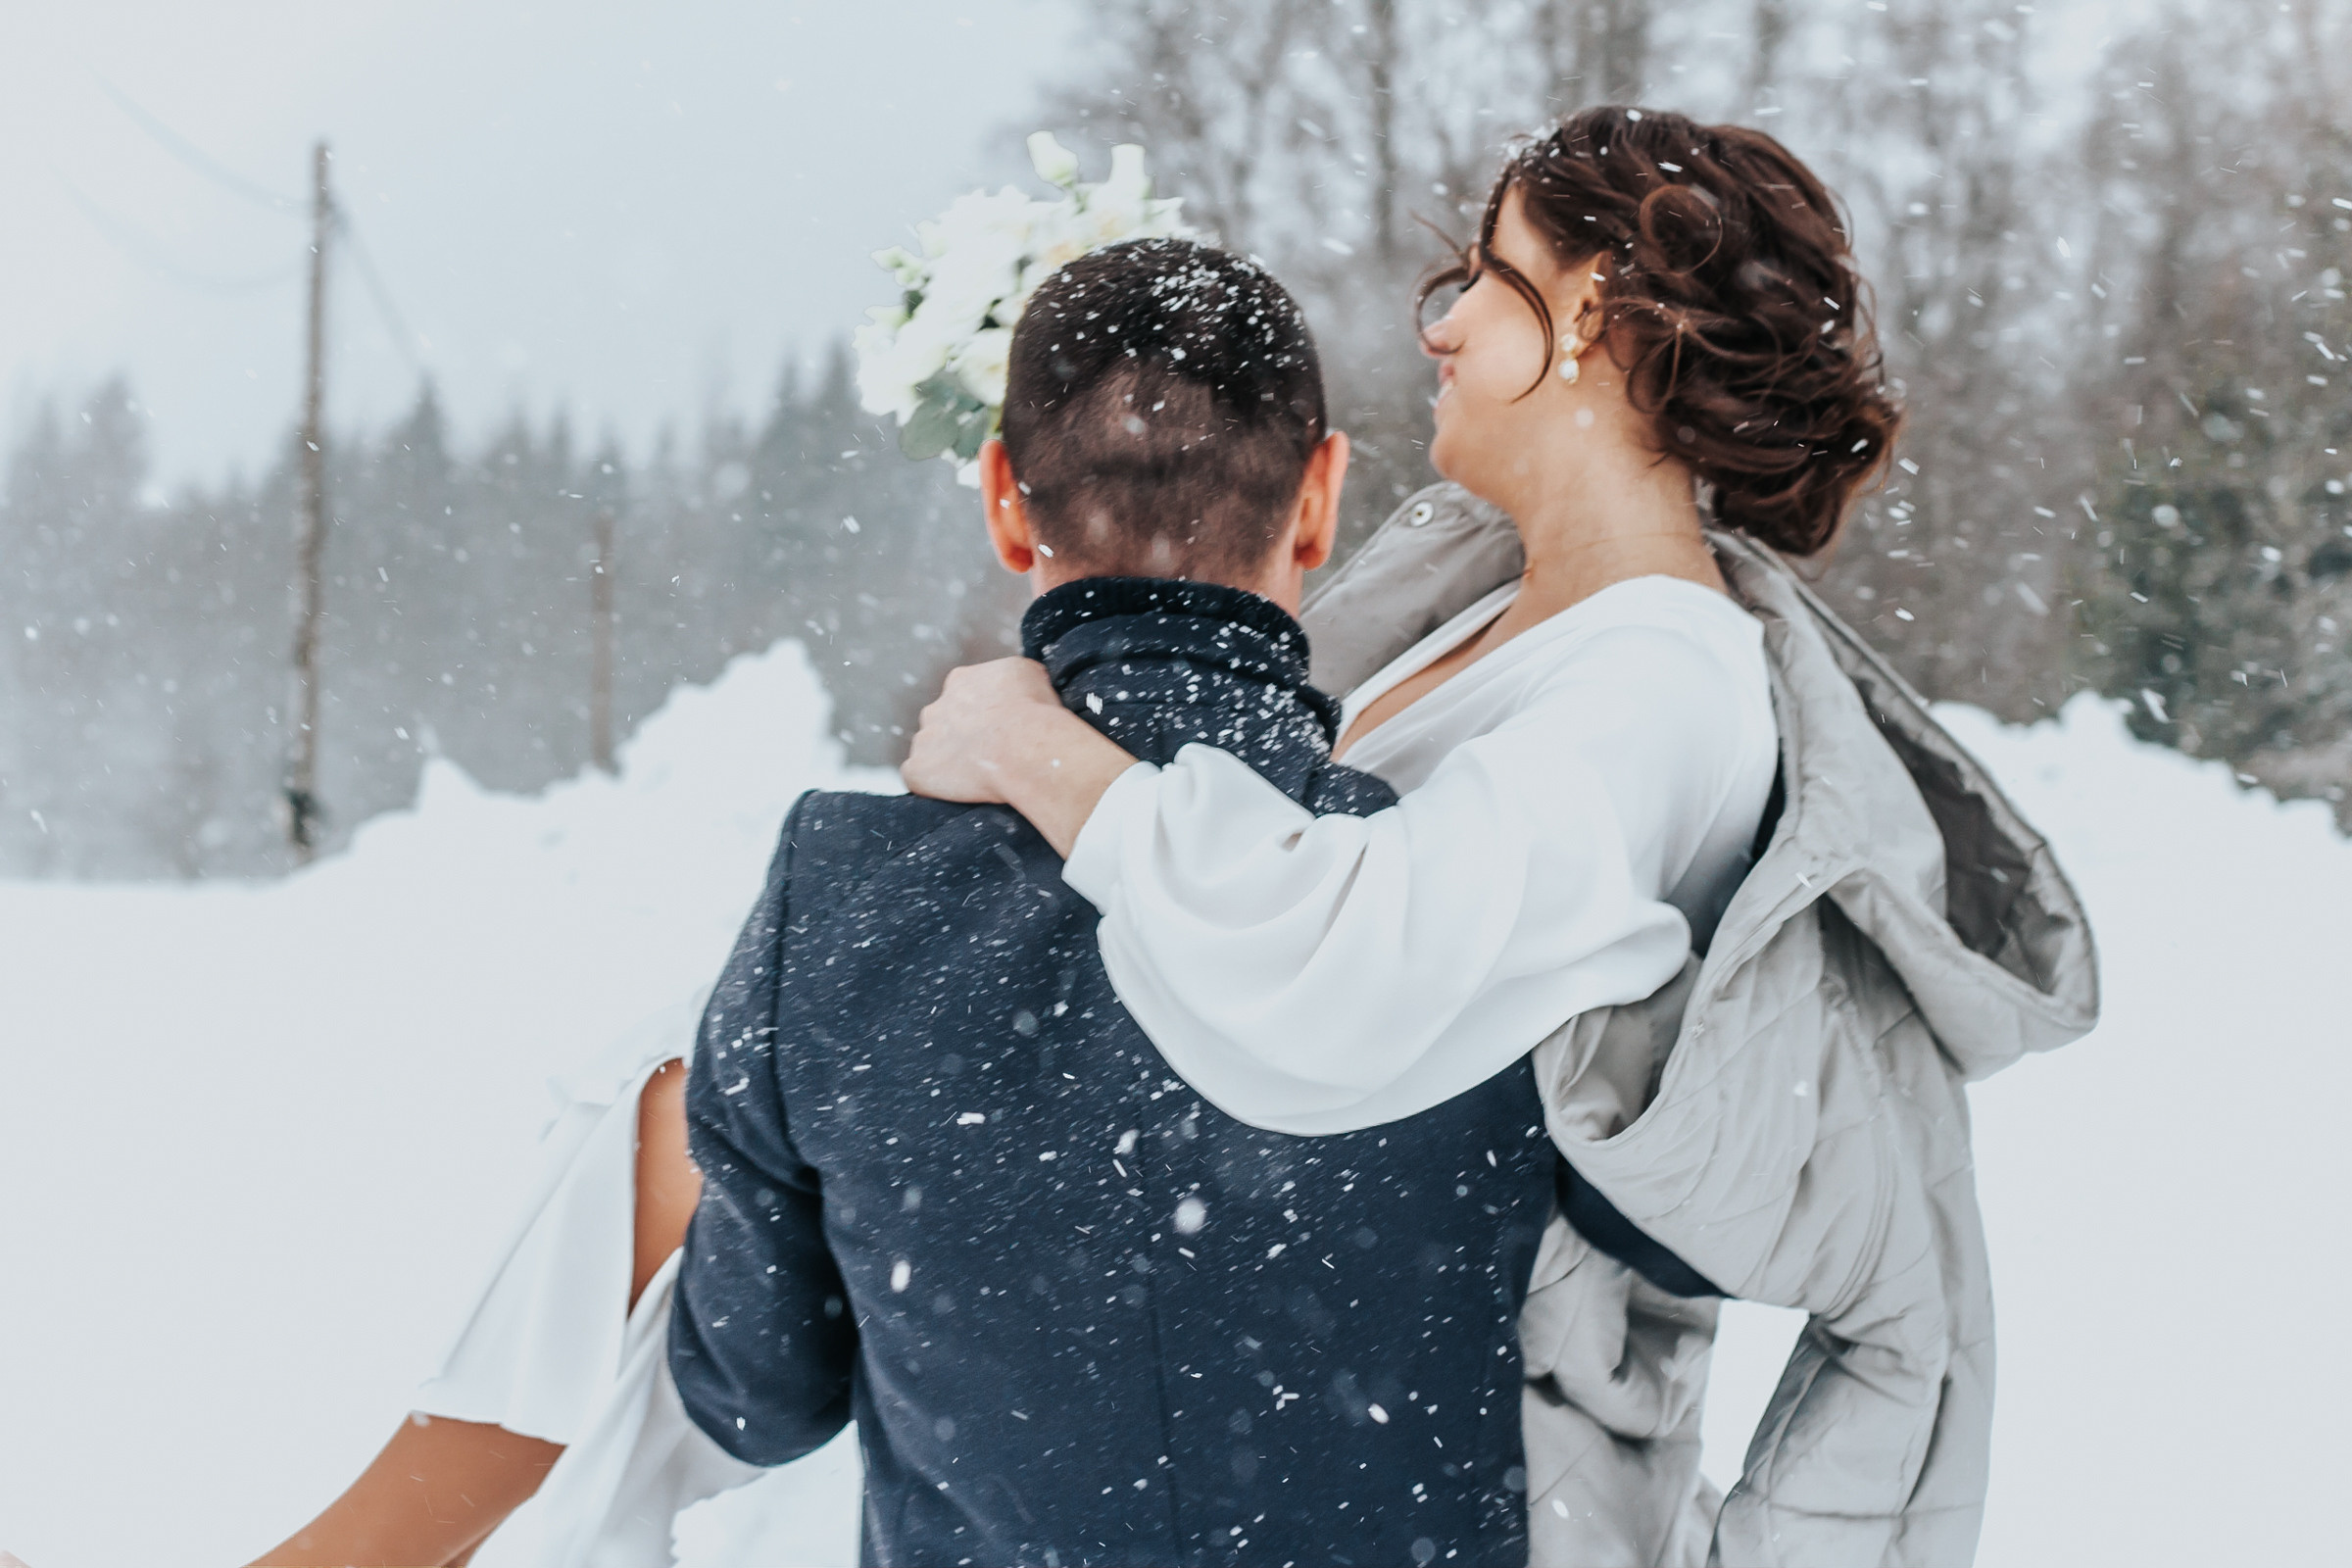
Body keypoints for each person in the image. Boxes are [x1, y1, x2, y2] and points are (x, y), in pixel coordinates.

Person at [901, 106, 2099, 1567]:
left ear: (1593, 307)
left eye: (1486, 273)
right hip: (1299, 1425)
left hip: (1471, 1485)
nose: (1446, 327)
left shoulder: (1665, 685)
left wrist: (1041, 749)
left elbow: (1350, 960)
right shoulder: (1493, 617)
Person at [664, 236, 1556, 1566]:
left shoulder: (838, 901)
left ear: (1006, 506)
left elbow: (754, 1396)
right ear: (1318, 498)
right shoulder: (1472, 885)